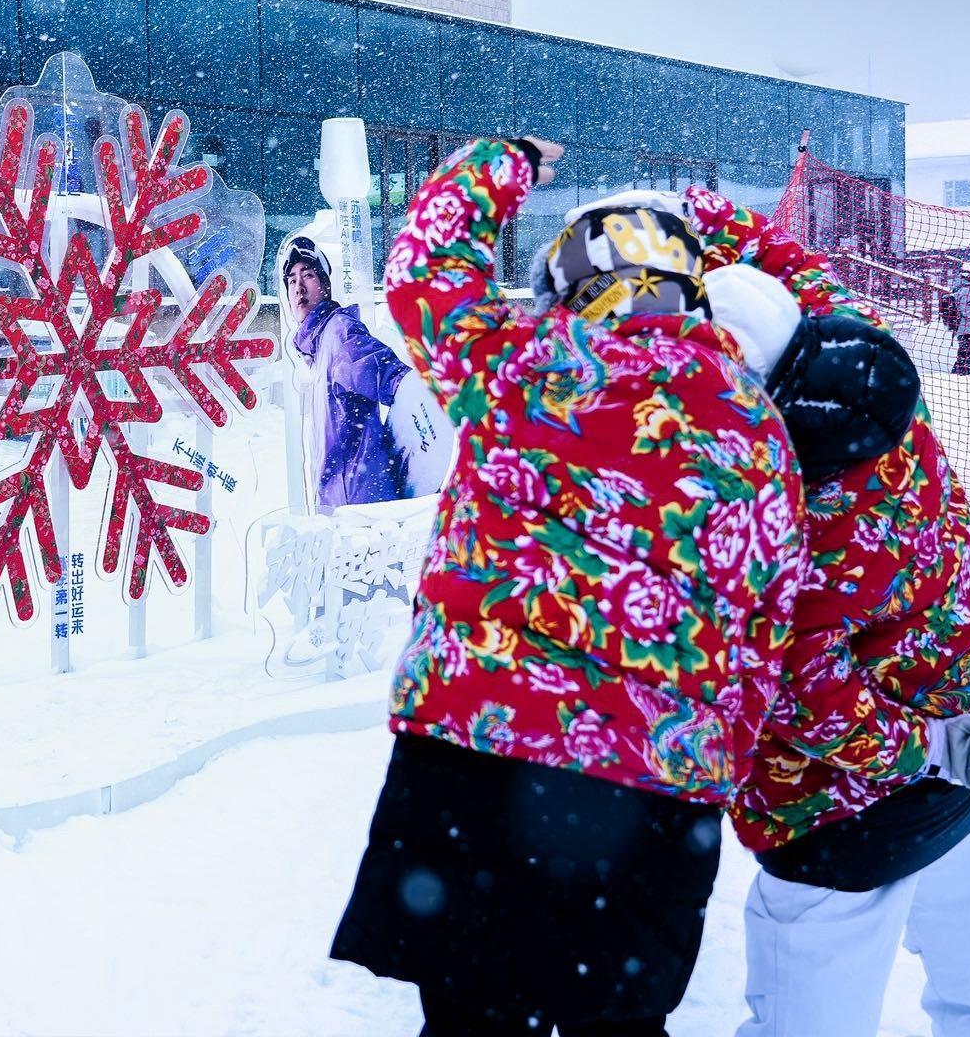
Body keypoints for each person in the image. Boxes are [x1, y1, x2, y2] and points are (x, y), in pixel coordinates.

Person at [330, 141, 808, 1036]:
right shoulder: (755, 432)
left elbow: (423, 267)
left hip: (474, 762)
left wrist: (501, 163)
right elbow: (764, 631)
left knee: (469, 1020)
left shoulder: (517, 369)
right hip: (655, 795)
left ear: (568, 285)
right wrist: (716, 764)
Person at [684, 187, 970, 1037]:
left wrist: (923, 750)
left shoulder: (765, 524)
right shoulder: (862, 358)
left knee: (807, 1019)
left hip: (842, 821)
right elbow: (787, 261)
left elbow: (807, 699)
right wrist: (689, 207)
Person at [282, 234, 413, 509]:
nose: (298, 288)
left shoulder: (338, 332)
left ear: (326, 286)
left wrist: (424, 397)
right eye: (292, 281)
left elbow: (385, 372)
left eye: (308, 276)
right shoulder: (317, 351)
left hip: (363, 511)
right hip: (342, 511)